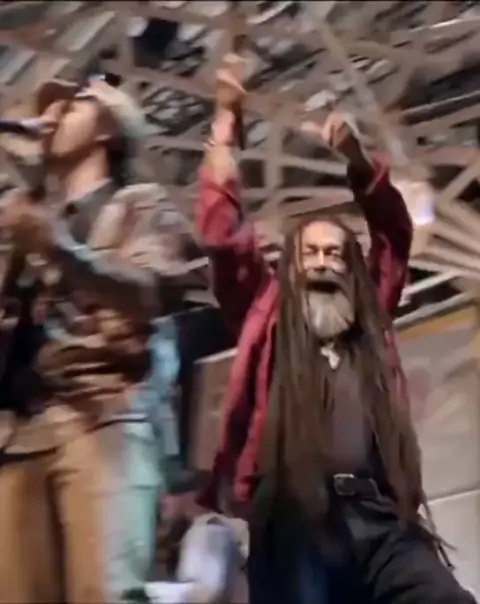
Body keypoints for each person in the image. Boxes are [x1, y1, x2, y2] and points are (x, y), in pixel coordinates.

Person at [193, 56, 475, 604]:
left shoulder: (366, 316)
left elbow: (393, 233)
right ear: (290, 269)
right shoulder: (267, 315)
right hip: (294, 521)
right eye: (310, 253)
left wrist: (355, 157)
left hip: (378, 520)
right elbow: (223, 235)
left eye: (335, 254)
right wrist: (225, 124)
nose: (323, 262)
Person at [0, 77, 199, 603]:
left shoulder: (140, 204)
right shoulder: (26, 219)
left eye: (72, 104)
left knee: (104, 594)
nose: (52, 114)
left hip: (102, 419)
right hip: (18, 437)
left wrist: (61, 250)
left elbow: (152, 293)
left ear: (110, 128)